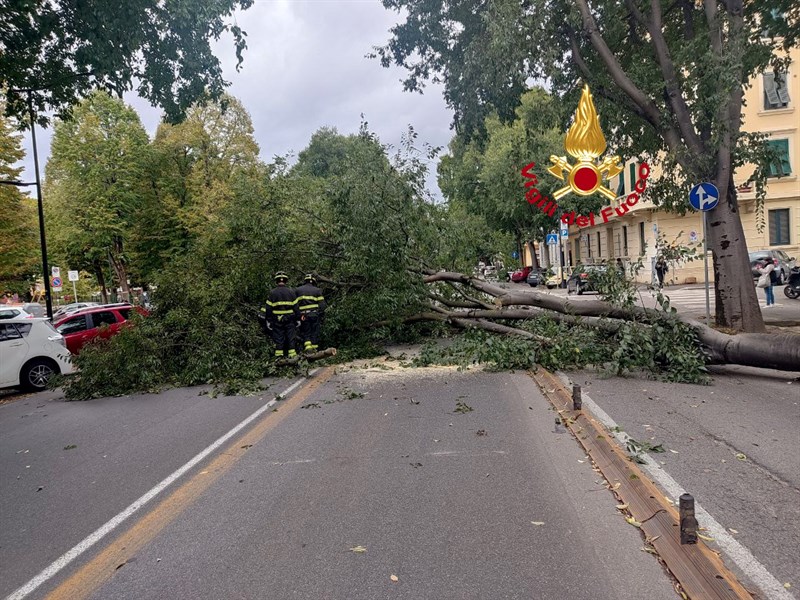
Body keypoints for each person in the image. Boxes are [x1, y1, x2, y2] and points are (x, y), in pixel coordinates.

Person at [262, 271, 300, 359]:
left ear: (276, 281)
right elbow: (296, 307)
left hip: (277, 320)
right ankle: (292, 357)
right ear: (286, 281)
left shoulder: (272, 293)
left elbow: (268, 309)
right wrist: (298, 319)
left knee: (278, 338)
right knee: (291, 337)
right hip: (290, 319)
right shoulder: (291, 292)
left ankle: (279, 358)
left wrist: (269, 321)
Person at [294, 274, 327, 353]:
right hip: (314, 314)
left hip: (303, 316)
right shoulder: (317, 290)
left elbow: (294, 305)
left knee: (306, 332)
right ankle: (315, 351)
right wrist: (320, 313)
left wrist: (298, 316)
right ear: (314, 282)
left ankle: (308, 350)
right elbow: (322, 305)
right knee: (314, 332)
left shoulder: (297, 290)